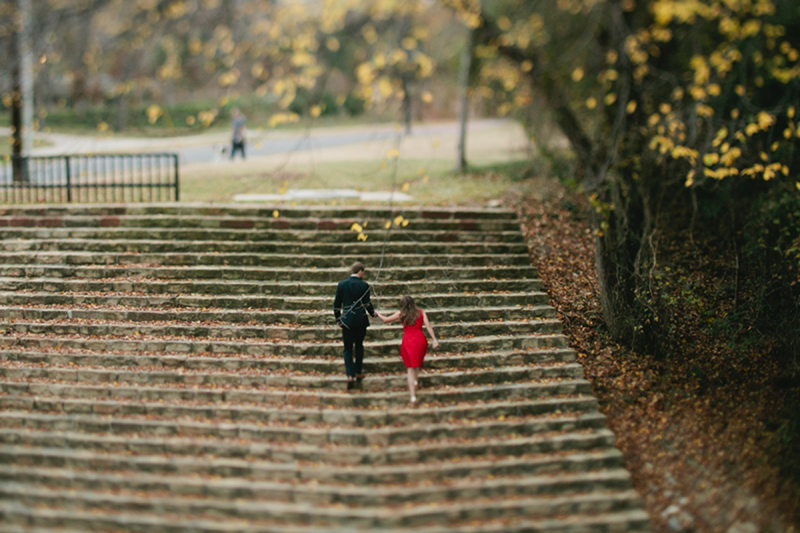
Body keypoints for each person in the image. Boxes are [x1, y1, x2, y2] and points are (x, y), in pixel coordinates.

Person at [376, 295, 438, 404]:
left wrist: (378, 314)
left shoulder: (401, 314)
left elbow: (385, 320)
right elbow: (428, 326)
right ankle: (415, 382)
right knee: (417, 363)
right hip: (420, 340)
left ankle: (413, 396)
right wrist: (434, 339)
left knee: (410, 368)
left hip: (409, 341)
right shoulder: (421, 312)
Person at [333, 262, 375, 390]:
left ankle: (349, 375)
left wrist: (338, 318)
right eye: (363, 272)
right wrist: (373, 313)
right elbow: (367, 303)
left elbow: (336, 304)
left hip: (347, 320)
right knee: (359, 345)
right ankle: (358, 372)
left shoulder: (342, 284)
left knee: (347, 349)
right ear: (360, 271)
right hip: (360, 320)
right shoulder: (364, 285)